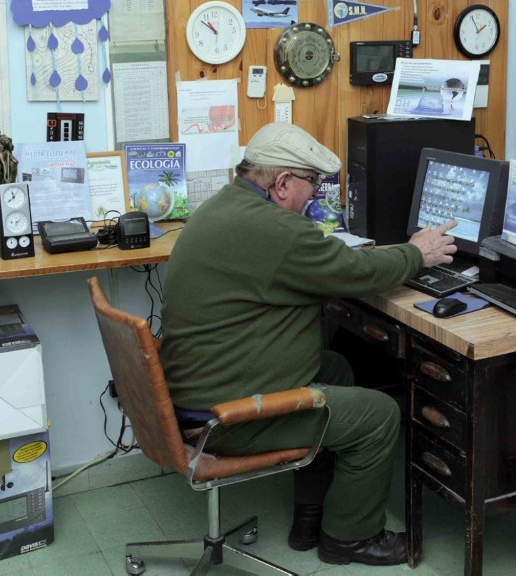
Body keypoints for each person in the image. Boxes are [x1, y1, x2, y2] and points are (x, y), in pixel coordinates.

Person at [158, 122, 456, 567]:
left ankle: (309, 518)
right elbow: (355, 272)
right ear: (281, 184)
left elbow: (330, 264)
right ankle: (349, 538)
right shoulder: (275, 229)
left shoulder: (223, 204)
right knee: (379, 415)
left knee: (333, 367)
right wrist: (417, 253)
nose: (314, 197)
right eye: (312, 185)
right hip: (223, 415)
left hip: (199, 386)